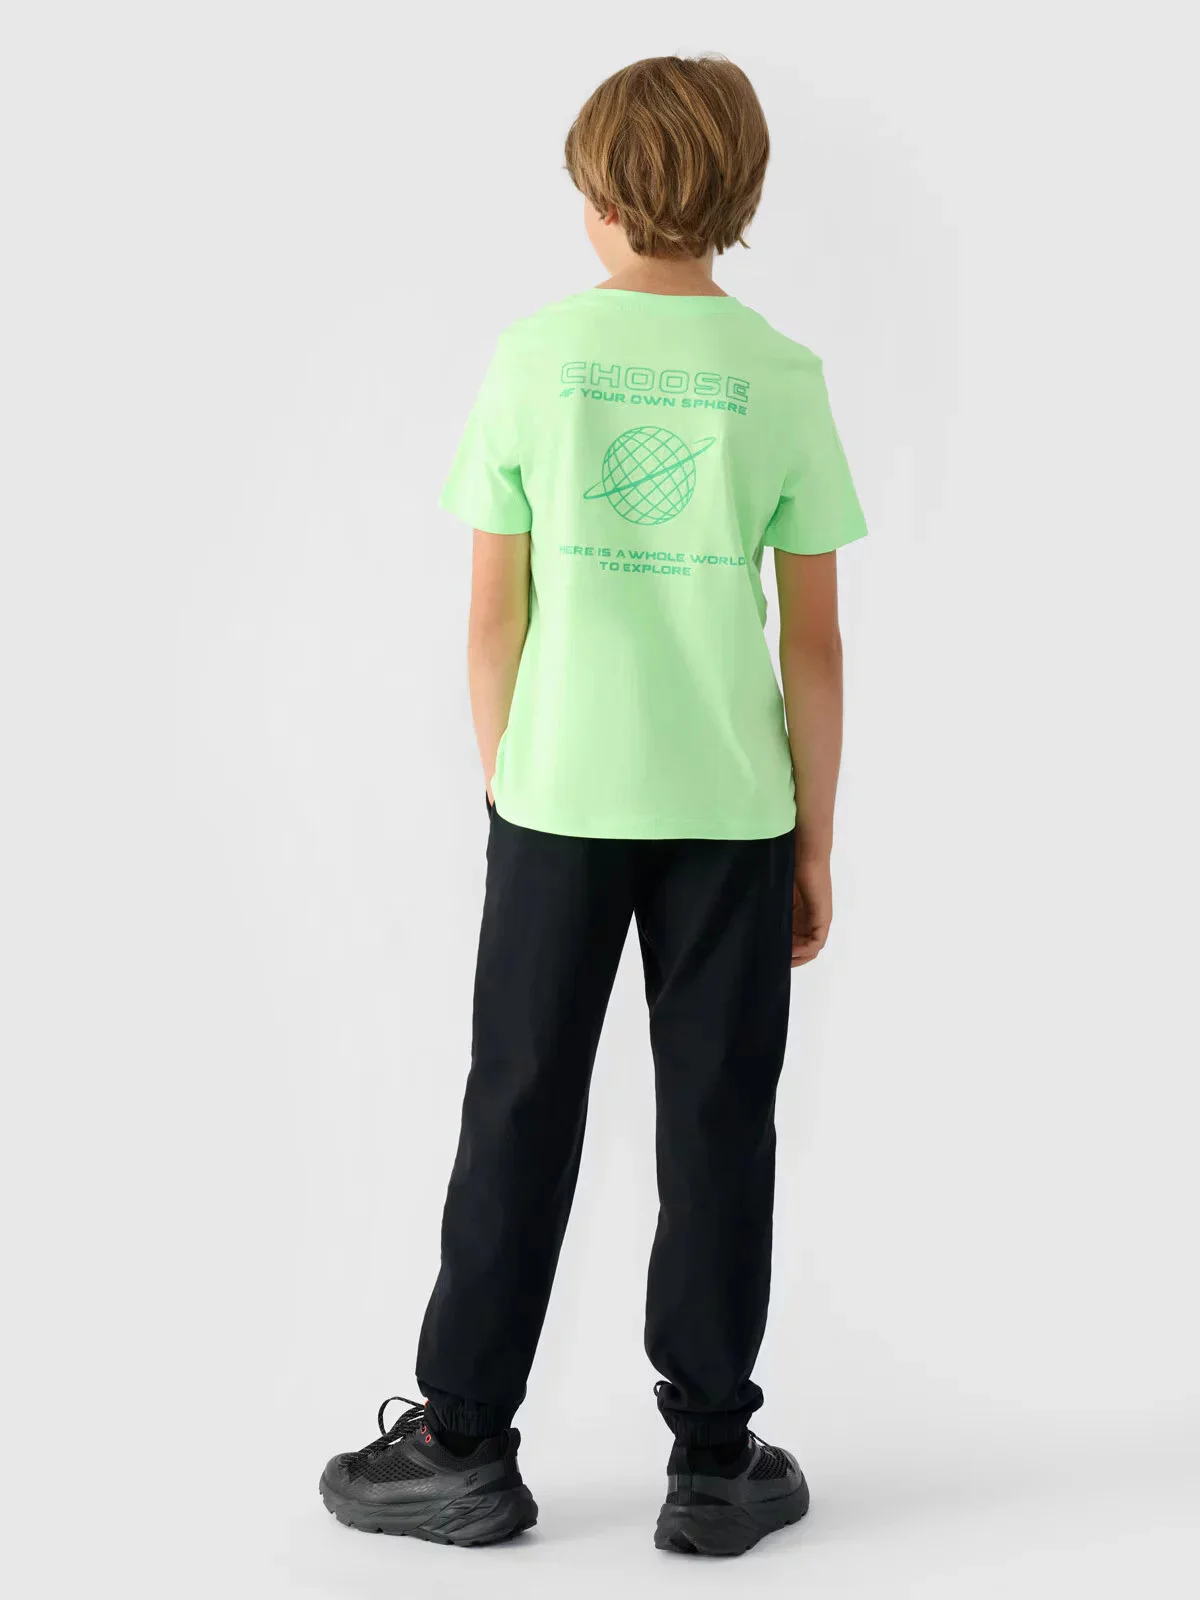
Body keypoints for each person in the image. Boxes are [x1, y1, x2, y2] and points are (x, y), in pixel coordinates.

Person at [319, 53, 868, 1557]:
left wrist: (515, 782)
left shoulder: (534, 358)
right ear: (735, 195)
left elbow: (492, 615)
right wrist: (816, 836)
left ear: (603, 199)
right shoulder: (782, 374)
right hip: (733, 810)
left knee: (517, 1102)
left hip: (558, 799)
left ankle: (462, 1445)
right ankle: (716, 1460)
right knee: (719, 1121)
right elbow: (813, 642)